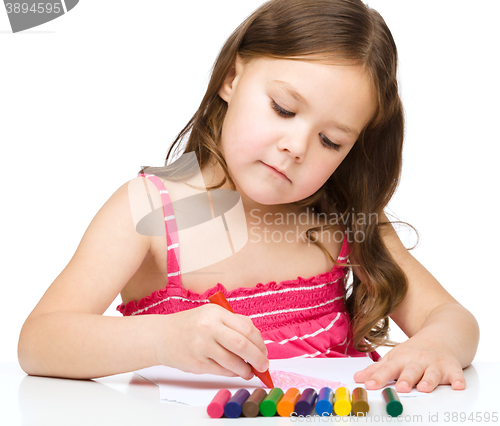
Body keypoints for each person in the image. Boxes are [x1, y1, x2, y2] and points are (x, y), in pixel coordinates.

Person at [18, 0, 479, 394]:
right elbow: (39, 341)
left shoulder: (344, 220)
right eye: (283, 108)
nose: (296, 147)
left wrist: (435, 345)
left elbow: (452, 317)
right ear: (232, 78)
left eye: (331, 141)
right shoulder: (151, 212)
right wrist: (161, 339)